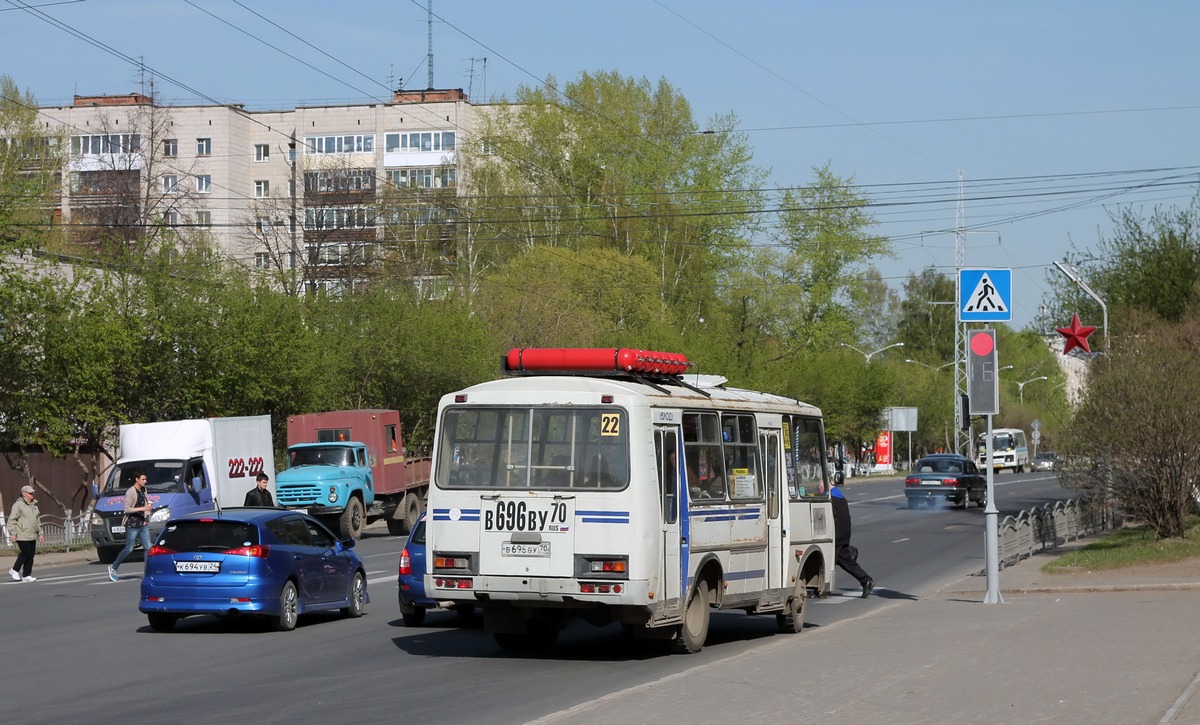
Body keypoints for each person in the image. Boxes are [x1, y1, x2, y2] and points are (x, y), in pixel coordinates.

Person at [828, 478, 874, 598]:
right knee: (844, 560)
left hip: (836, 537)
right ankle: (866, 581)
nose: (818, 489)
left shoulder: (831, 499)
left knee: (828, 561)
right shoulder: (839, 496)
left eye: (819, 487)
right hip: (842, 535)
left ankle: (820, 590)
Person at [109, 469, 153, 582]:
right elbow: (127, 509)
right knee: (129, 549)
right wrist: (143, 509)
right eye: (143, 479)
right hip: (132, 524)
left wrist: (146, 516)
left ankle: (148, 572)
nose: (145, 481)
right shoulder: (130, 492)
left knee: (148, 548)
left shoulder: (144, 490)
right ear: (136, 479)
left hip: (142, 524)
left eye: (145, 479)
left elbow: (145, 504)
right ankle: (113, 567)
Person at [9, 485, 44, 583]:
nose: (32, 495)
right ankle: (14, 570)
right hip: (22, 534)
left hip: (32, 534)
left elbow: (37, 521)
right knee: (26, 553)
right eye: (30, 493)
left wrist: (40, 533)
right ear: (24, 494)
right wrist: (13, 533)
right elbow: (12, 520)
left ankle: (26, 575)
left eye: (32, 493)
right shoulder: (18, 505)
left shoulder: (34, 506)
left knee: (31, 555)